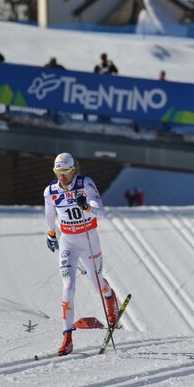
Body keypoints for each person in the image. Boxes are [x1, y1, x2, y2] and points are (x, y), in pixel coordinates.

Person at [44, 152, 119, 356]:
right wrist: (51, 234)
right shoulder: (50, 191)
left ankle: (110, 299)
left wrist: (86, 206)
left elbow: (101, 213)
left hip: (88, 239)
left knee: (96, 282)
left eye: (66, 173)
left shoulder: (85, 184)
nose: (62, 177)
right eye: (58, 173)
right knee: (68, 287)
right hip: (68, 241)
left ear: (73, 170)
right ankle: (67, 337)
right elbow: (50, 214)